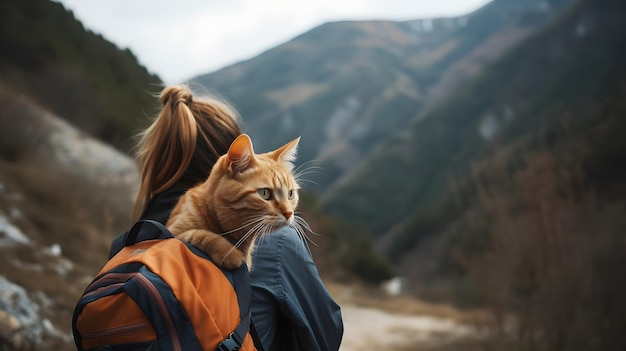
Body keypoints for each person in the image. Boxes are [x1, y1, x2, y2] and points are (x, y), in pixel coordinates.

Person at [108, 84, 343, 351]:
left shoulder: (126, 245)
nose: (287, 209)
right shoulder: (276, 239)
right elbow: (325, 336)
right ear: (233, 161)